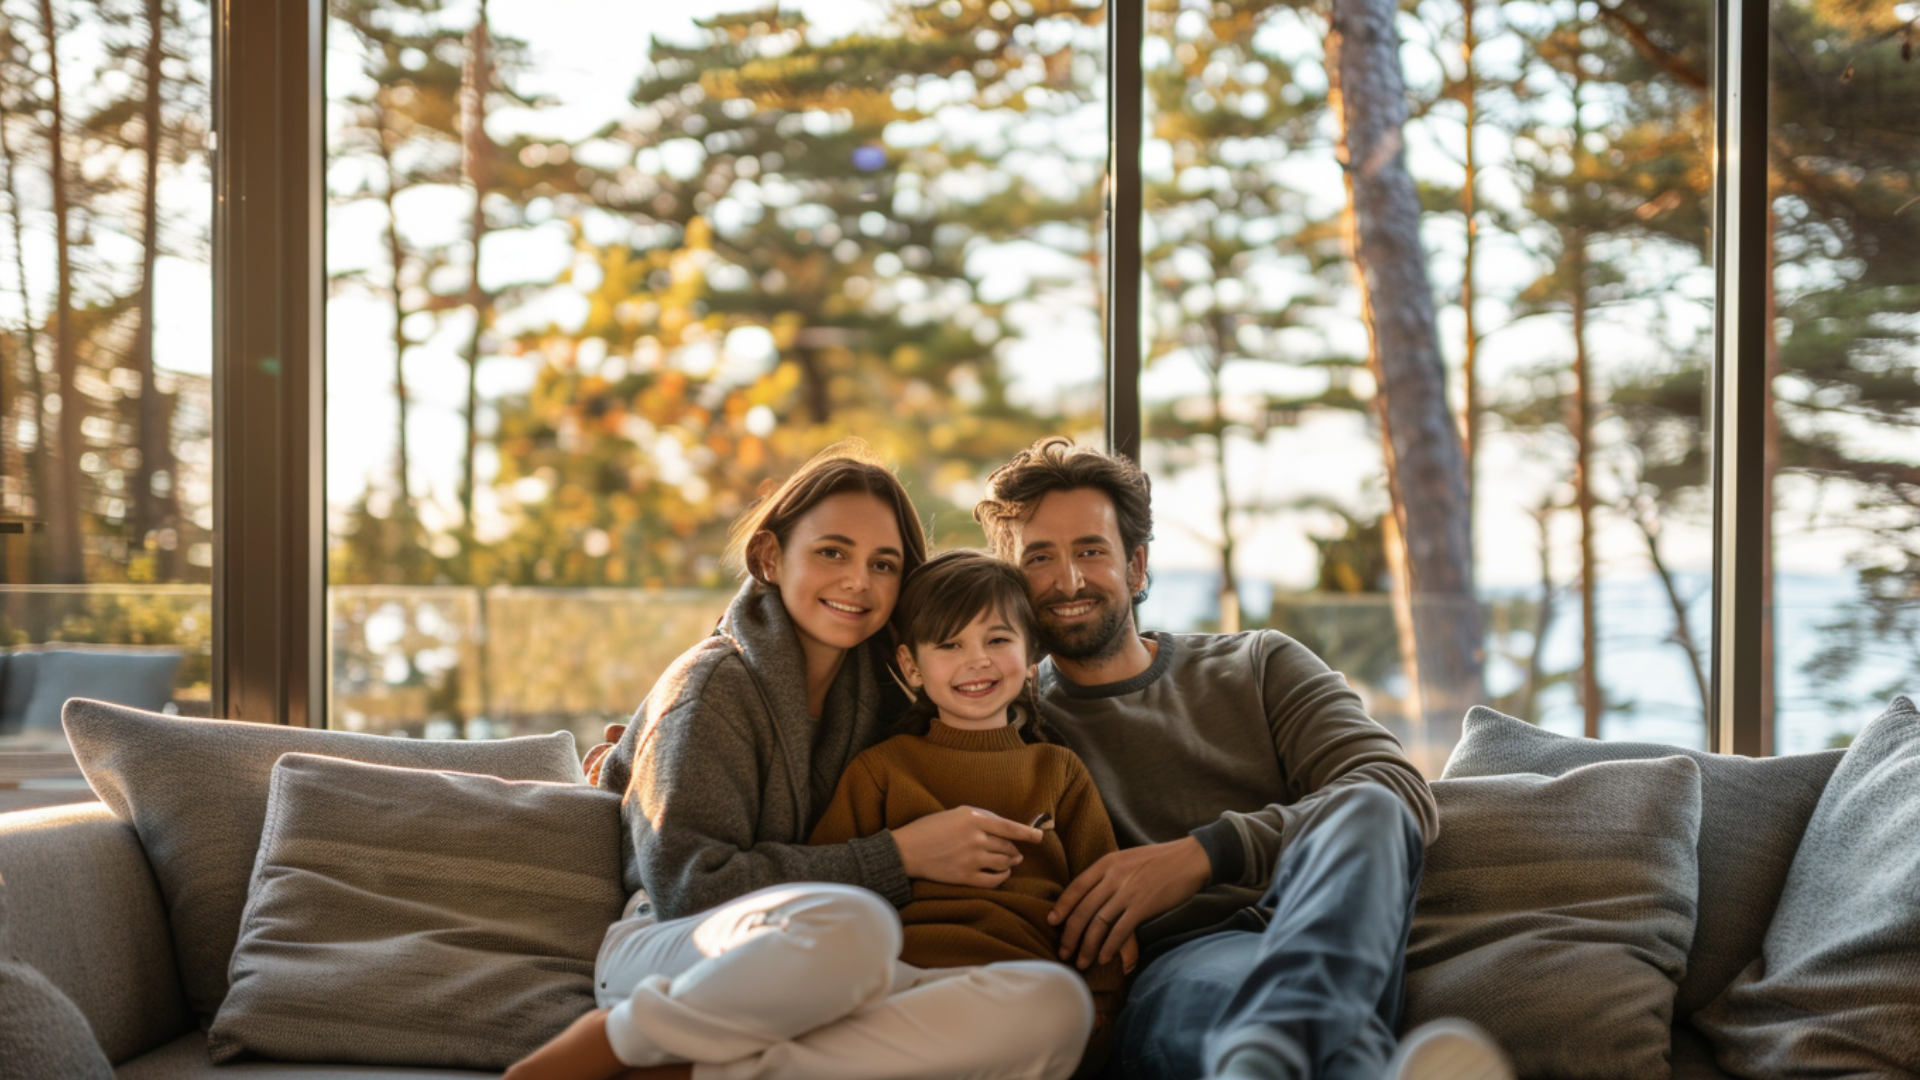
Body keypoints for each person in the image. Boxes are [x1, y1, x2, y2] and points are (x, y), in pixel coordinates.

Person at [510, 440, 1091, 1080]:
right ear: (769, 556)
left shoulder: (881, 696)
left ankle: (699, 1073)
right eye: (832, 552)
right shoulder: (711, 685)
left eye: (884, 563)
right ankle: (618, 1040)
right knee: (856, 926)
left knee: (1052, 1004)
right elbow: (690, 888)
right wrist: (900, 856)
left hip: (813, 967)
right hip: (678, 950)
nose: (858, 581)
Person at [970, 436, 1514, 1080]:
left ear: (1137, 566)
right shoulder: (1008, 723)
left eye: (1091, 550)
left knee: (1368, 805)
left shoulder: (1259, 663)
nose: (1069, 580)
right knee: (1254, 1022)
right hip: (1189, 968)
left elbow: (1398, 793)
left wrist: (1205, 854)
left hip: (1334, 928)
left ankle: (1275, 1053)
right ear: (1013, 581)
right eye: (1039, 558)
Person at [808, 548, 1126, 1042]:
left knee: (1057, 1005)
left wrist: (1102, 994)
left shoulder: (1057, 769)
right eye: (949, 645)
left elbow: (1102, 898)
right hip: (900, 977)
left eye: (998, 639)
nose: (977, 660)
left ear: (1030, 655)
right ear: (911, 667)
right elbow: (826, 891)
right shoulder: (883, 769)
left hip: (1021, 986)